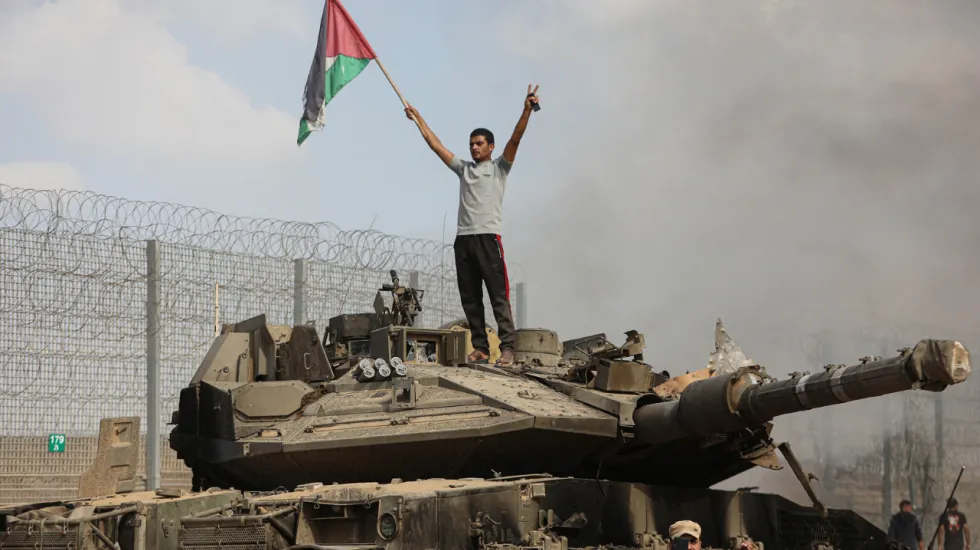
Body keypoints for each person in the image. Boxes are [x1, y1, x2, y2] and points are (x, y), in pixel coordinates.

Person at [404, 85, 540, 366]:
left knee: (498, 295)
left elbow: (516, 138)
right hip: (463, 240)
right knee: (471, 297)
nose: (474, 148)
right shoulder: (463, 169)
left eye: (480, 143)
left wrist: (526, 110)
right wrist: (418, 120)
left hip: (488, 239)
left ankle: (508, 347)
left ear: (490, 146)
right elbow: (435, 144)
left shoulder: (500, 168)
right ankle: (480, 346)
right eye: (472, 144)